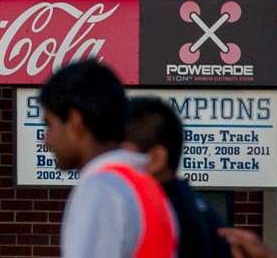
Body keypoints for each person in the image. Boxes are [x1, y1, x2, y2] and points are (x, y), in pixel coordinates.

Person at [39, 61, 178, 258]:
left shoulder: (99, 190)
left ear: (74, 122)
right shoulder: (149, 186)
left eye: (49, 125)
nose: (47, 141)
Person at [122, 96, 229, 258]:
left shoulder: (160, 219)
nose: (109, 165)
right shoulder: (203, 214)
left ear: (156, 159)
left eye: (118, 155)